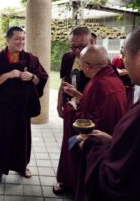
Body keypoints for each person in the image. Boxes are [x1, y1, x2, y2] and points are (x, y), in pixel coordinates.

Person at [75, 24, 140, 201]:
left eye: (124, 55)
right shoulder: (112, 79)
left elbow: (118, 178)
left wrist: (91, 146)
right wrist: (114, 141)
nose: (123, 61)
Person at [53, 45, 127, 195]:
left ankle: (70, 181)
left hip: (97, 137)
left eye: (81, 64)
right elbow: (95, 105)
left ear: (86, 66)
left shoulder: (98, 84)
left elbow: (86, 121)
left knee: (71, 143)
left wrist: (70, 108)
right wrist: (79, 95)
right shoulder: (112, 77)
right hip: (113, 132)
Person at [0, 26, 48, 185]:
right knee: (1, 139)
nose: (21, 42)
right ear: (8, 39)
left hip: (22, 107)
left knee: (21, 139)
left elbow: (42, 78)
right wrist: (8, 75)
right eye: (17, 38)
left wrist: (32, 76)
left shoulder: (31, 59)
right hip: (3, 108)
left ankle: (21, 165)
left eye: (23, 38)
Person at [54, 26, 92, 193]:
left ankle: (81, 184)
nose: (77, 50)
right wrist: (58, 104)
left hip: (88, 114)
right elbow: (63, 81)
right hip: (71, 110)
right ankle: (65, 179)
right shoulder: (68, 58)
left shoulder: (98, 60)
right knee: (68, 144)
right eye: (73, 46)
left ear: (91, 42)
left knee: (82, 146)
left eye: (81, 46)